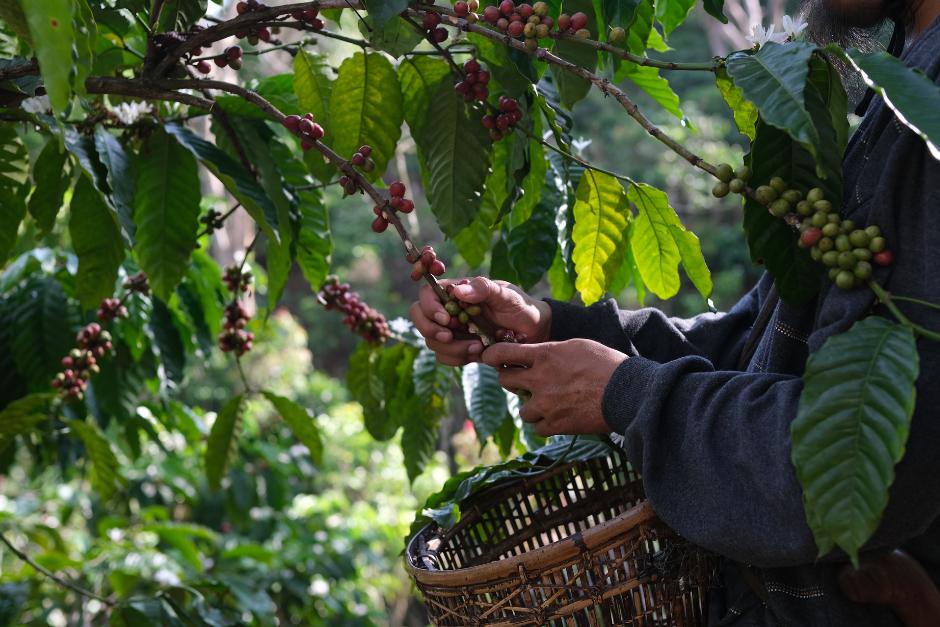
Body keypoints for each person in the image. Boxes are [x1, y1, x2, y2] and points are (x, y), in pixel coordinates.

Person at [410, 0, 940, 624]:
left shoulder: (927, 108)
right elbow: (760, 347)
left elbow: (846, 460)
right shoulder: (900, 79)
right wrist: (558, 327)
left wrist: (625, 393)